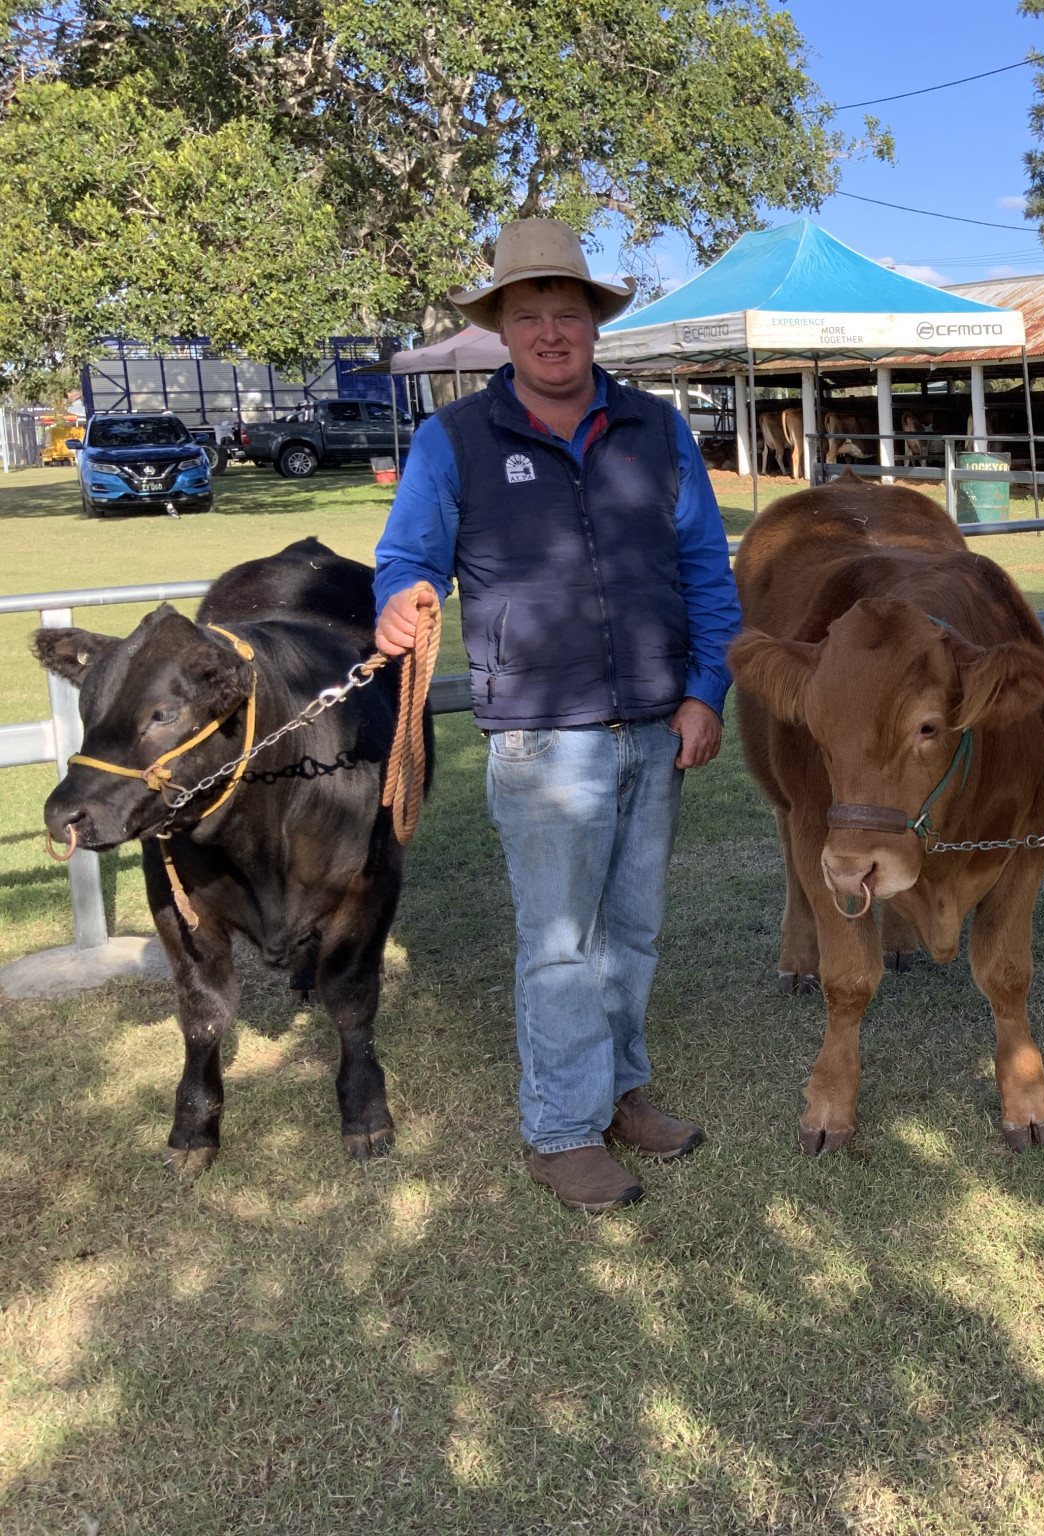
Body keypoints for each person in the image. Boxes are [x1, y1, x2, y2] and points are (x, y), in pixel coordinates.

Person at [373, 219, 742, 1214]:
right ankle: (562, 1131)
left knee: (632, 930)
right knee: (559, 944)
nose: (549, 332)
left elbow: (706, 569)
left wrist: (706, 692)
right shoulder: (451, 441)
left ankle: (618, 1091)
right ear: (500, 329)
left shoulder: (657, 430)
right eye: (528, 315)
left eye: (565, 313)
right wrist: (401, 597)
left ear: (592, 324)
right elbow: (407, 554)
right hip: (540, 737)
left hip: (655, 726)